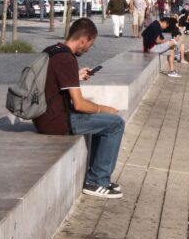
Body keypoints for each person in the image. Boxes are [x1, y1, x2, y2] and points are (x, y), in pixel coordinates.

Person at [34, 17, 125, 199]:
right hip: (57, 122)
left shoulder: (52, 51)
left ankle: (97, 176)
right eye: (90, 44)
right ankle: (97, 181)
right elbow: (79, 104)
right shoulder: (67, 59)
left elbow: (53, 83)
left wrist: (75, 76)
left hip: (43, 116)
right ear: (84, 39)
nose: (88, 48)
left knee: (105, 123)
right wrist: (105, 109)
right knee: (115, 123)